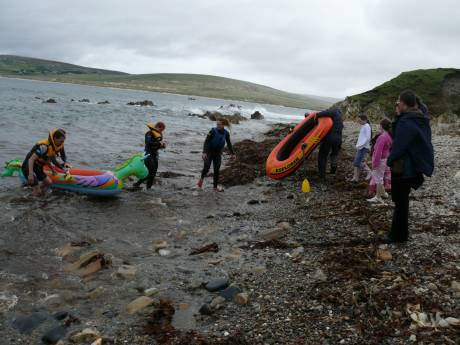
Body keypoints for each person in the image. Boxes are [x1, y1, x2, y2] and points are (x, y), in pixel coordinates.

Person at [386, 90, 434, 243]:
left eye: (398, 102)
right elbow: (423, 107)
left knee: (400, 202)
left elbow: (399, 146)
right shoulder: (420, 117)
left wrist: (389, 160)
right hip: (413, 166)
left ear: (404, 104)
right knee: (402, 201)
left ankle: (398, 236)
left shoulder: (406, 122)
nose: (397, 104)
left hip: (404, 168)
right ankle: (400, 234)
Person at [21, 128, 69, 196]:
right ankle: (30, 196)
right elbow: (31, 159)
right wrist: (30, 174)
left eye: (64, 141)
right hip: (29, 165)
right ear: (55, 138)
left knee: (49, 183)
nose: (62, 143)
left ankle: (33, 190)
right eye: (61, 141)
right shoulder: (44, 147)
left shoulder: (55, 146)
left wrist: (52, 169)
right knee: (38, 193)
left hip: (38, 166)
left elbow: (46, 159)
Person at [197, 118, 235, 192]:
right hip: (209, 152)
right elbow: (206, 141)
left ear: (223, 125)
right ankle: (201, 179)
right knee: (207, 167)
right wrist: (204, 152)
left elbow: (229, 144)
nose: (217, 126)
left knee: (216, 170)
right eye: (217, 124)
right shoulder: (213, 131)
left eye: (219, 124)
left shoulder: (226, 133)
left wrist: (233, 153)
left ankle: (215, 187)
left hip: (218, 154)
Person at [133, 122, 166, 189]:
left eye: (162, 130)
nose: (161, 131)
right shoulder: (149, 133)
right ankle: (137, 184)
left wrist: (162, 146)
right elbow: (149, 143)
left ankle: (149, 188)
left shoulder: (159, 134)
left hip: (155, 155)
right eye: (161, 129)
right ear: (157, 127)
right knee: (149, 172)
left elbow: (157, 145)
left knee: (153, 173)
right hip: (148, 155)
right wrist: (159, 144)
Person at [367, 118, 393, 203]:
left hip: (380, 160)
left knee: (379, 179)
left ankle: (378, 197)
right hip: (385, 159)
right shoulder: (389, 136)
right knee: (380, 177)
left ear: (381, 126)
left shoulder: (382, 137)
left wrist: (375, 163)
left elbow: (378, 151)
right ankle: (384, 193)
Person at [314, 108, 344, 181]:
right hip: (338, 140)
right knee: (334, 154)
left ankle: (322, 175)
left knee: (322, 156)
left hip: (329, 138)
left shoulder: (334, 111)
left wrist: (316, 115)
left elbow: (325, 113)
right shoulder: (340, 120)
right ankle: (332, 171)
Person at [351, 115, 372, 182]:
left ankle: (369, 172)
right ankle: (355, 178)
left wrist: (360, 145)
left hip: (363, 147)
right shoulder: (364, 126)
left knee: (357, 162)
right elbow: (361, 137)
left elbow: (367, 138)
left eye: (360, 120)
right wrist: (358, 145)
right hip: (360, 147)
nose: (359, 122)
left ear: (364, 120)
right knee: (356, 163)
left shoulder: (367, 126)